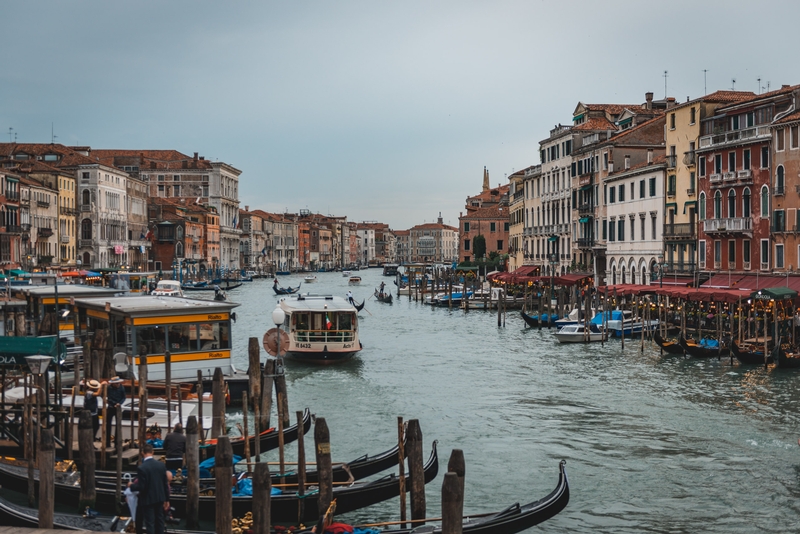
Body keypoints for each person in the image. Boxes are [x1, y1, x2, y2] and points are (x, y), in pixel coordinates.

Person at [129, 443, 170, 534]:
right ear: (153, 452)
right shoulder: (161, 465)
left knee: (150, 523)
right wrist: (167, 499)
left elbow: (141, 487)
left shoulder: (142, 468)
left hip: (148, 500)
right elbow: (165, 484)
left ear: (142, 453)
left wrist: (131, 486)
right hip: (160, 498)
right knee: (160, 521)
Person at [105, 376, 126, 447]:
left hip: (118, 407)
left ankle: (117, 443)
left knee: (118, 425)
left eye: (118, 383)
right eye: (116, 383)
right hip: (111, 407)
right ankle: (107, 443)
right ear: (113, 384)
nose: (118, 384)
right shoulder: (108, 388)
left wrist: (119, 403)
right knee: (108, 425)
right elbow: (107, 398)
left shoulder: (121, 387)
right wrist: (114, 403)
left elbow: (124, 397)